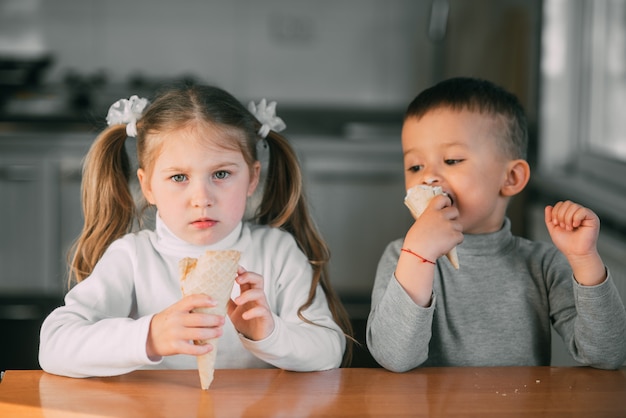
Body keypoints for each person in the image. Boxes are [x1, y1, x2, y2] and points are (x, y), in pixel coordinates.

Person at [39, 84, 353, 377]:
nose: (202, 199)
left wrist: (269, 333)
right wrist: (149, 336)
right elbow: (54, 345)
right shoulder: (132, 258)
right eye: (179, 177)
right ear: (148, 186)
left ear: (252, 178)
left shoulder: (277, 251)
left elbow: (329, 349)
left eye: (221, 173)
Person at [366, 77, 626, 372]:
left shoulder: (543, 265)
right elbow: (394, 359)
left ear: (511, 178)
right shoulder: (401, 257)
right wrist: (419, 257)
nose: (428, 177)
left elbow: (608, 355)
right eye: (415, 166)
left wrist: (584, 260)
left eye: (451, 160)